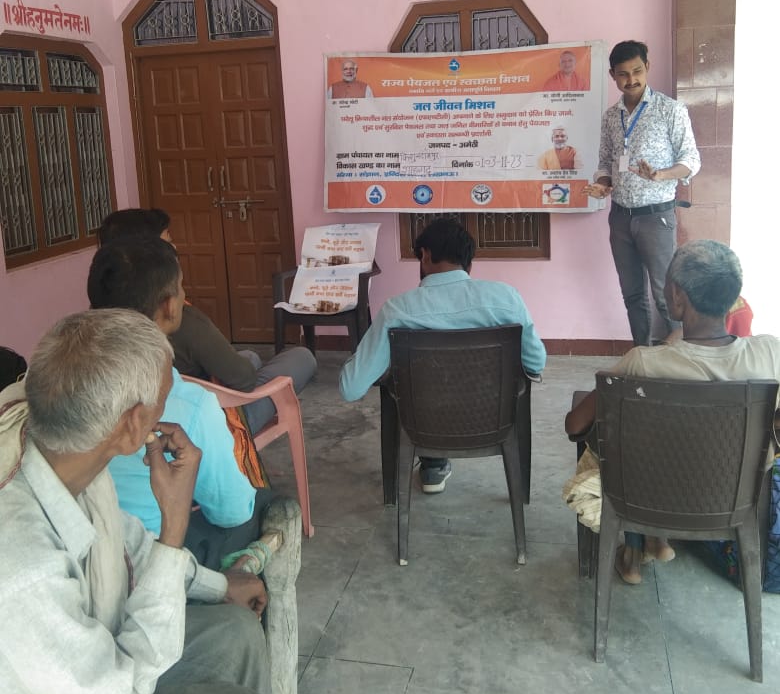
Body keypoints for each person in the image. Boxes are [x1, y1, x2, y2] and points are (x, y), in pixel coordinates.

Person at [0, 309, 283, 694]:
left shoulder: (58, 449)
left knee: (237, 631)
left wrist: (217, 585)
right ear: (134, 425)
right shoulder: (22, 562)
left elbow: (124, 540)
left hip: (82, 665)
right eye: (164, 399)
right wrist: (175, 524)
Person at [565, 240, 780, 584]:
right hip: (733, 498)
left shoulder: (643, 363)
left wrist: (668, 347)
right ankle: (653, 541)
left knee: (615, 449)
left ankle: (639, 546)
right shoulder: (770, 354)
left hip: (650, 498)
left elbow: (575, 425)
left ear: (678, 296)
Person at [340, 217, 546, 492]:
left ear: (425, 255)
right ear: (468, 264)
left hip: (423, 426)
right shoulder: (507, 299)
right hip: (492, 421)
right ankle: (436, 467)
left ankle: (433, 464)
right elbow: (536, 363)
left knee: (417, 390)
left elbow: (350, 388)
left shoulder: (396, 311)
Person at [88, 237, 263, 554]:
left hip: (73, 549)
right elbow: (232, 511)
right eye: (181, 287)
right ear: (169, 306)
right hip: (146, 557)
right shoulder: (188, 404)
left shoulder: (48, 383)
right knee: (261, 507)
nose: (184, 295)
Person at [98, 207, 316, 434]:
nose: (175, 249)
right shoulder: (178, 320)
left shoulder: (101, 318)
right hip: (210, 425)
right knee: (301, 357)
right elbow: (243, 380)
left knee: (250, 357)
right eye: (167, 243)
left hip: (144, 424)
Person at [582, 40, 700, 346]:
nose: (631, 79)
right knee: (632, 294)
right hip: (620, 217)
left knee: (666, 294)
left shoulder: (670, 110)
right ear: (612, 75)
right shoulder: (611, 117)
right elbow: (605, 161)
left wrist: (661, 174)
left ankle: (677, 359)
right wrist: (603, 184)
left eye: (637, 71)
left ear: (647, 67)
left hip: (656, 217)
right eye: (623, 74)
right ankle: (643, 354)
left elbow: (691, 161)